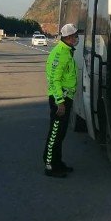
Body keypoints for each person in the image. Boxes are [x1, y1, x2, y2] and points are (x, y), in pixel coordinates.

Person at [43, 23, 79, 178]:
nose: (77, 38)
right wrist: (60, 101)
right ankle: (50, 165)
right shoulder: (59, 53)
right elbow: (54, 80)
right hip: (60, 100)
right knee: (55, 134)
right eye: (75, 36)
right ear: (69, 37)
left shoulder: (67, 51)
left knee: (61, 134)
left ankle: (58, 162)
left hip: (66, 98)